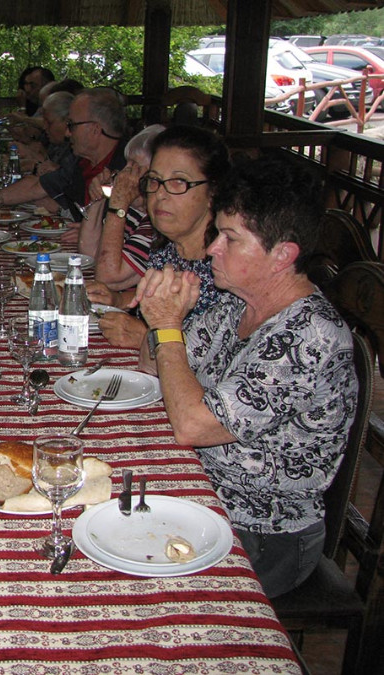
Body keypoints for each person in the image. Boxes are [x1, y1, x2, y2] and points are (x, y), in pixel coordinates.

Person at [133, 155, 358, 598]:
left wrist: (165, 326)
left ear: (282, 256)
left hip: (266, 530)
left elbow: (192, 426)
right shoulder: (238, 302)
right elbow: (150, 365)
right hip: (204, 490)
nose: (213, 247)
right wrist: (162, 307)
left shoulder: (308, 336)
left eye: (230, 239)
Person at [88, 125, 230, 349]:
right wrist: (120, 300)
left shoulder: (226, 263)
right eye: (154, 180)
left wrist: (148, 338)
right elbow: (165, 296)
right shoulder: (168, 247)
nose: (160, 194)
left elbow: (221, 359)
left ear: (213, 191)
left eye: (178, 182)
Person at [0, 88, 128, 218]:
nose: (68, 133)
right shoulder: (81, 162)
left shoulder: (127, 168)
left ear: (95, 129)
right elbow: (37, 186)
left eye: (72, 125)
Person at [76, 124, 164, 291]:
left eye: (134, 167)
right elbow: (89, 253)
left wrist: (118, 204)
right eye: (127, 164)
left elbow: (108, 279)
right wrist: (98, 199)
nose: (124, 172)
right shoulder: (134, 213)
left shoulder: (156, 226)